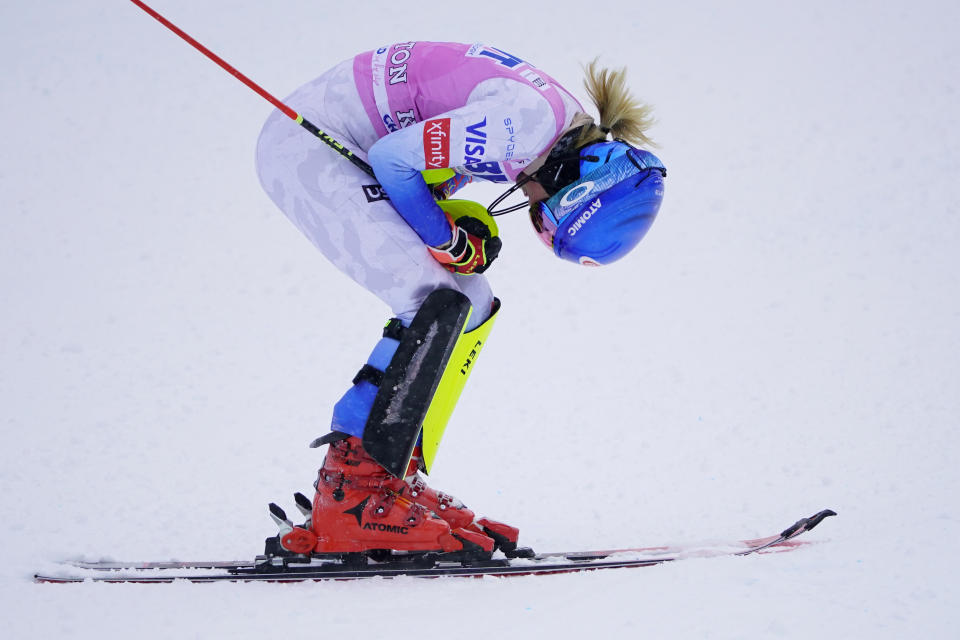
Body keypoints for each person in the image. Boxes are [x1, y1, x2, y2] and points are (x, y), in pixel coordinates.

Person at [255, 41, 666, 558]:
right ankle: (353, 491)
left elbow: (430, 164)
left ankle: (388, 470)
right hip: (309, 144)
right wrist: (444, 237)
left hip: (333, 143)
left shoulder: (543, 132)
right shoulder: (528, 126)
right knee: (436, 293)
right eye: (551, 213)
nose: (537, 214)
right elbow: (391, 160)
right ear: (577, 182)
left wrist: (447, 219)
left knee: (469, 297)